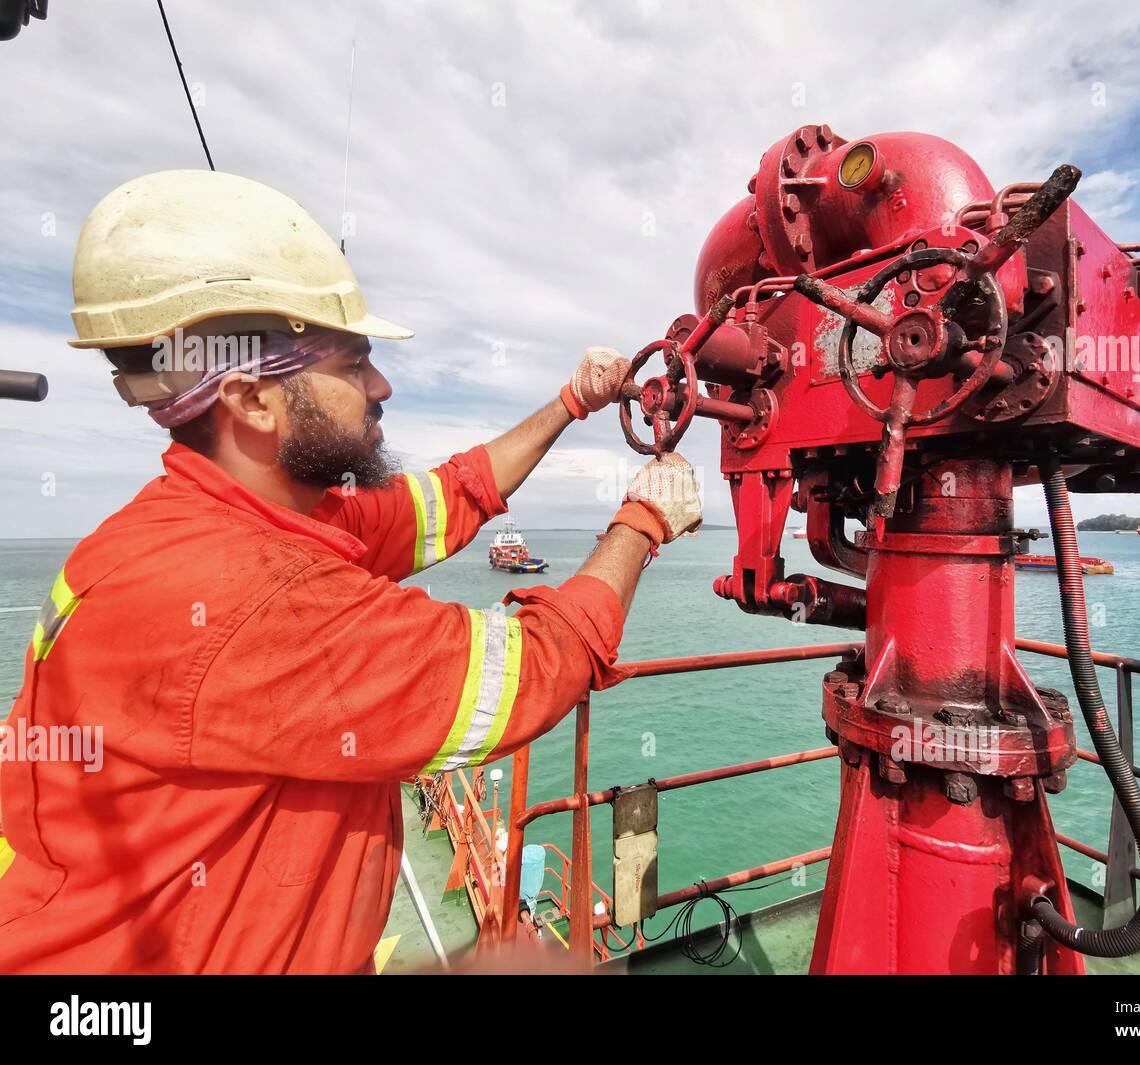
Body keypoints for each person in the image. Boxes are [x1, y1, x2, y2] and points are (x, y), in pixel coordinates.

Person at [0, 170, 701, 974]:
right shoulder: (251, 593)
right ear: (253, 400)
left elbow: (449, 495)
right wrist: (642, 521)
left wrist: (571, 402)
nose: (383, 386)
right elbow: (533, 668)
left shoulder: (251, 517)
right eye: (356, 363)